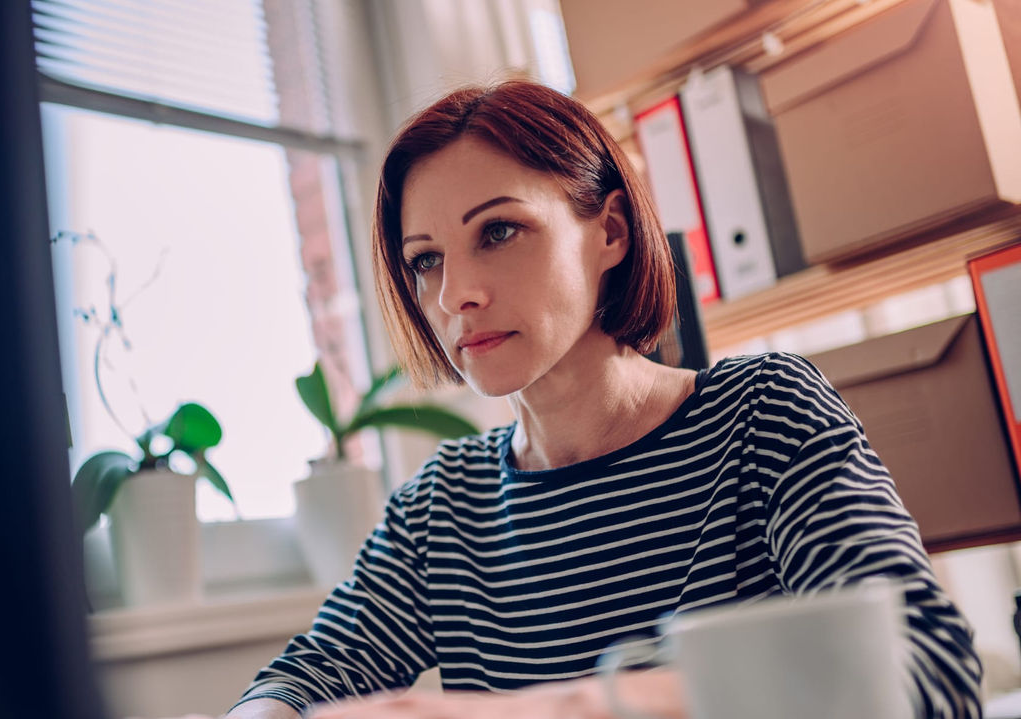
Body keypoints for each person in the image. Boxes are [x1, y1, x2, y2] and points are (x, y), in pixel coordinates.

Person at [221, 81, 982, 719]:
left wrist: (548, 707)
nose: (455, 295)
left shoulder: (763, 414)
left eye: (499, 231)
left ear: (609, 230)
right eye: (425, 261)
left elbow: (928, 672)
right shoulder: (439, 510)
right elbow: (297, 683)